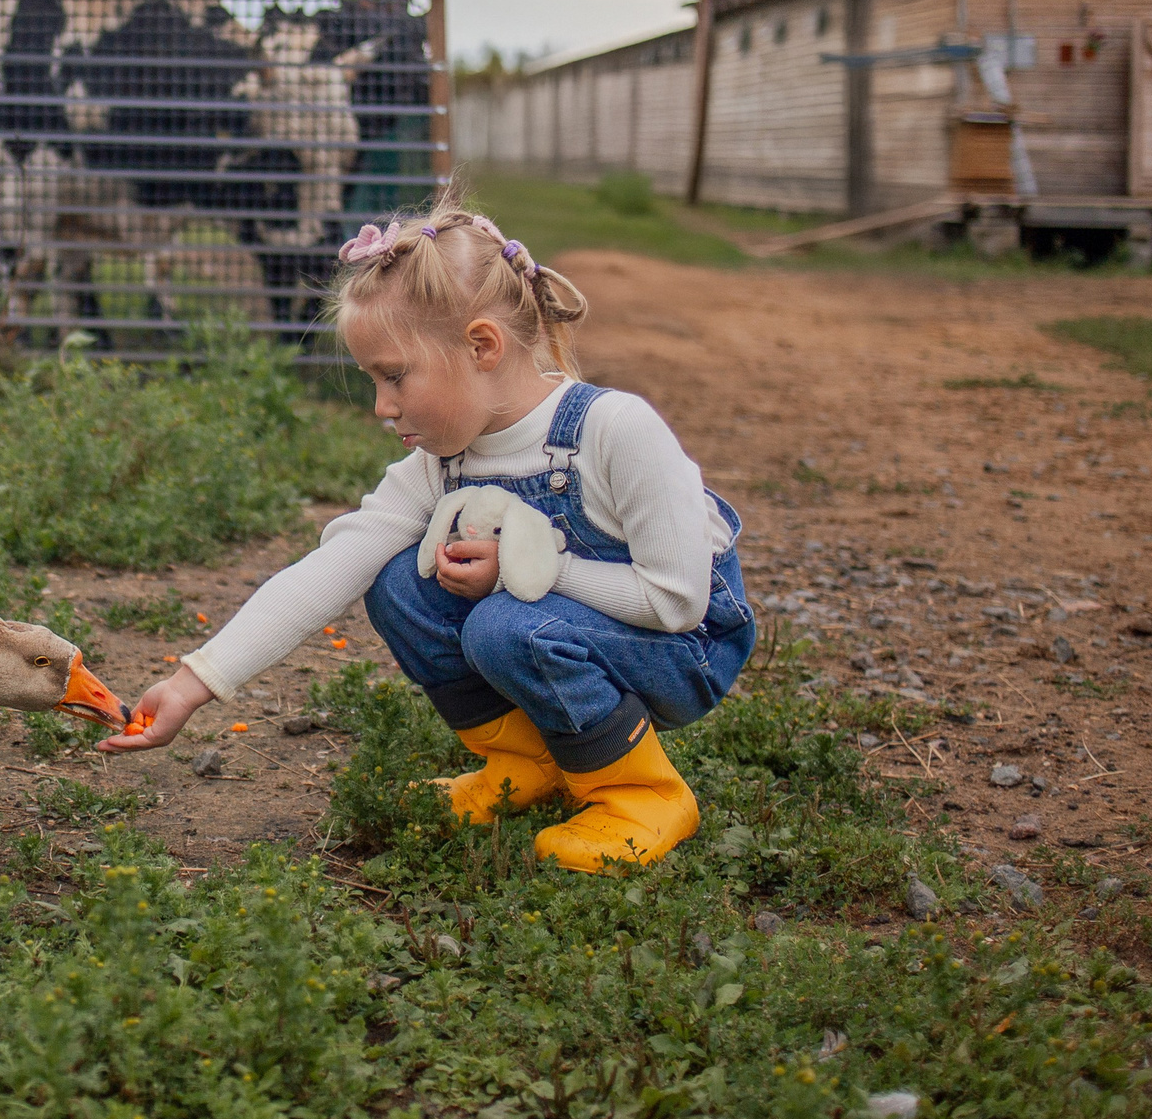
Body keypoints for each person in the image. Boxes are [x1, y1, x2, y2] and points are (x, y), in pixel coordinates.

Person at [98, 201, 754, 872]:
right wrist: (193, 683)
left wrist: (530, 569)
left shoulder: (615, 430)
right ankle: (525, 763)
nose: (382, 407)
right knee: (398, 586)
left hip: (681, 651)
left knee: (505, 625)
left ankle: (640, 794)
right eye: (373, 381)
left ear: (482, 346)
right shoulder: (440, 462)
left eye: (394, 376)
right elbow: (331, 568)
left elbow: (678, 602)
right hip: (568, 635)